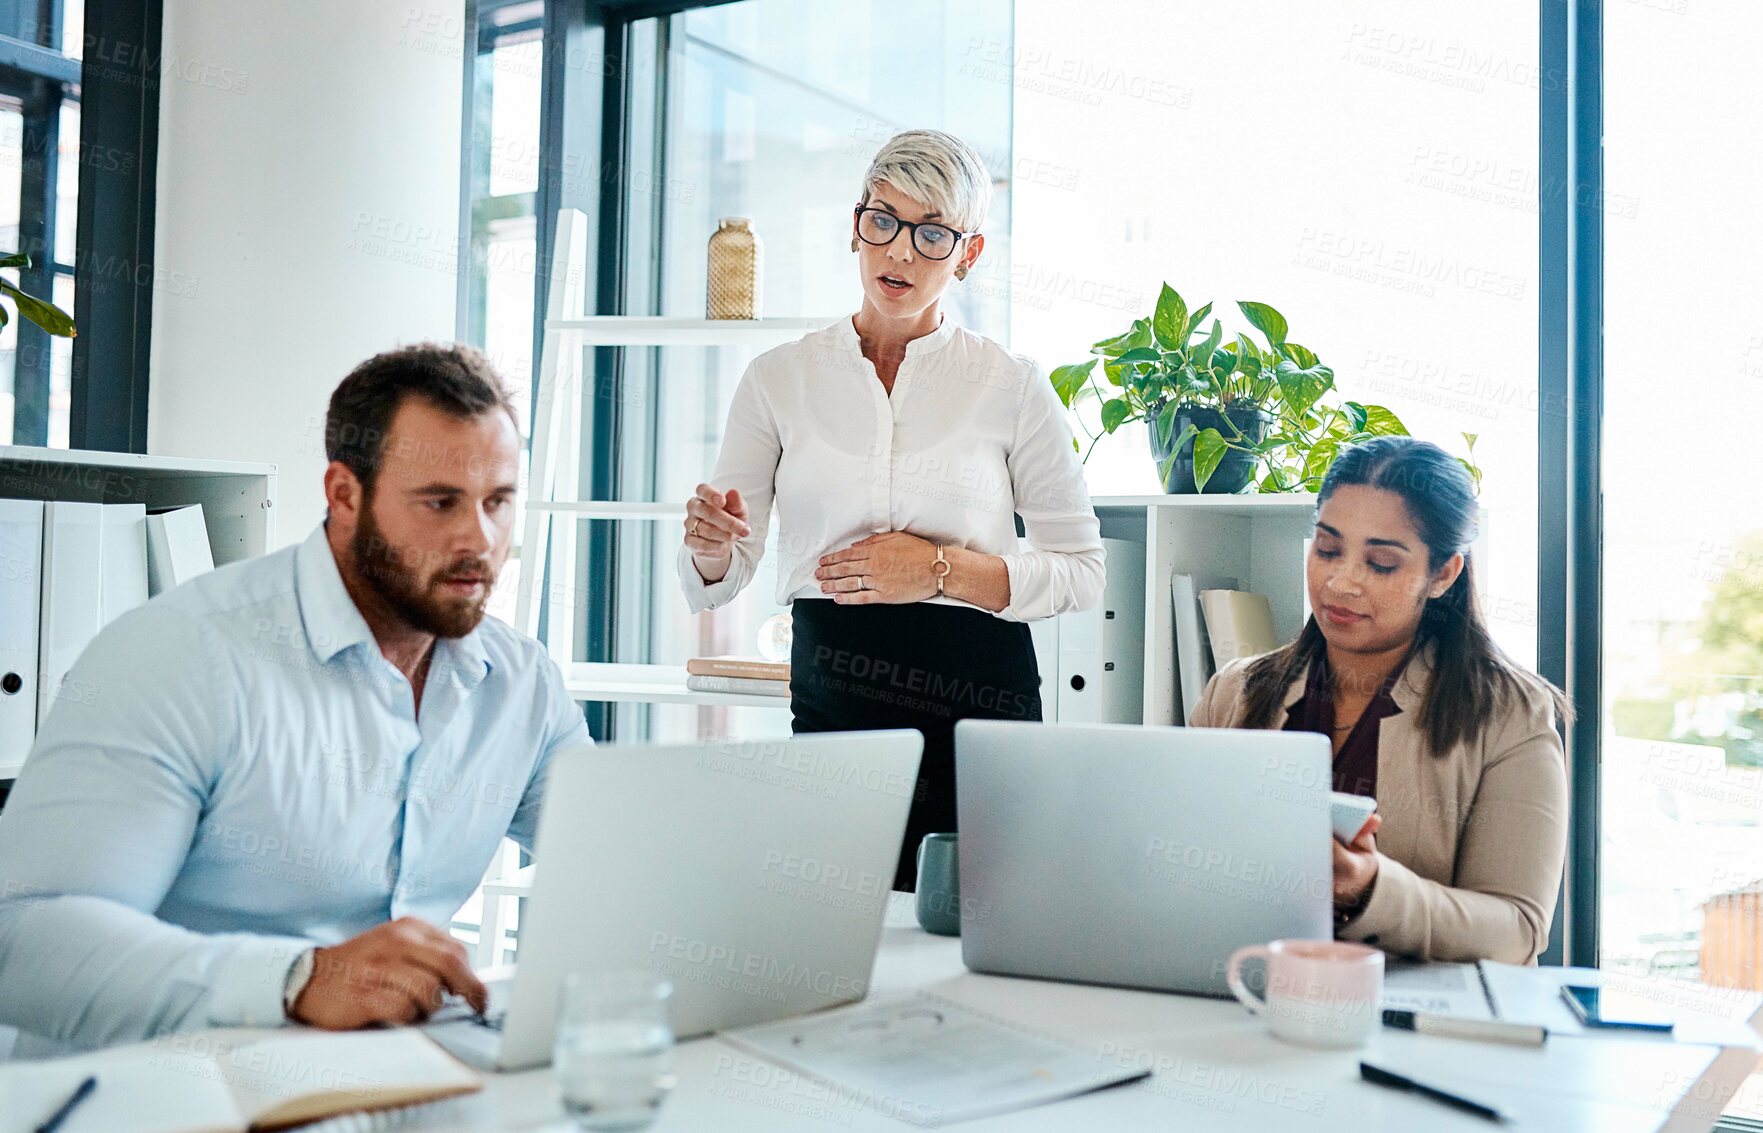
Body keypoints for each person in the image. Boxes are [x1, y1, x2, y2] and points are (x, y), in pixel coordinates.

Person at [0, 344, 589, 1052]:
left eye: (498, 501)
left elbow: (624, 860)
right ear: (344, 494)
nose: (479, 539)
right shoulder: (182, 654)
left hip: (395, 1073)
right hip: (160, 1088)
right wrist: (294, 980)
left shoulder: (522, 684)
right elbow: (25, 943)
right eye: (440, 502)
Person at [678, 129, 1104, 889]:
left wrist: (937, 570)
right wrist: (711, 543)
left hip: (980, 697)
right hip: (835, 691)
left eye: (931, 233)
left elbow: (1080, 573)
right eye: (883, 220)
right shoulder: (778, 378)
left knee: (981, 923)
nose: (899, 252)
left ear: (967, 253)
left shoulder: (1010, 384)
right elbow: (724, 567)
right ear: (854, 224)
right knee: (836, 926)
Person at [1189, 436, 1570, 964]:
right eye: (1326, 549)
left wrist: (1368, 889)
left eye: (1382, 563)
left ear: (1443, 574)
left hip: (1413, 1026)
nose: (1341, 582)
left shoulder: (1509, 713)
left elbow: (1517, 931)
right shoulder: (1234, 691)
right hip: (1241, 995)